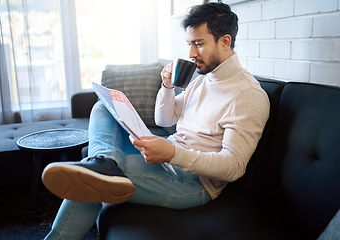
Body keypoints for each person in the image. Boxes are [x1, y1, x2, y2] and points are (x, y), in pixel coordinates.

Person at [41, 2, 270, 239]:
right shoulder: (204, 78)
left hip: (193, 182)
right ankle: (104, 161)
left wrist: (172, 154)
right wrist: (167, 87)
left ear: (224, 41)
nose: (191, 53)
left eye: (199, 44)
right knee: (102, 108)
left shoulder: (247, 95)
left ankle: (102, 169)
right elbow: (165, 119)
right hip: (170, 155)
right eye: (189, 44)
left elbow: (233, 167)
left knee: (91, 181)